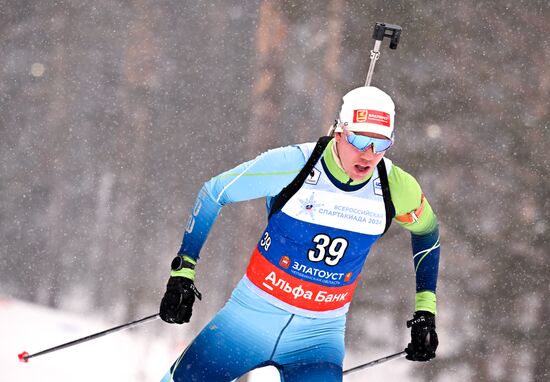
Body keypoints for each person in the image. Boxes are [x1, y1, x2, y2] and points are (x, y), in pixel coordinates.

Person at [159, 86, 440, 382]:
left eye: (380, 144)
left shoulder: (396, 187)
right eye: (359, 140)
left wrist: (426, 311)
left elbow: (428, 233)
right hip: (250, 319)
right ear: (339, 132)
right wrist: (183, 272)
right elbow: (214, 192)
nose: (368, 155)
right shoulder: (295, 165)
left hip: (318, 339)